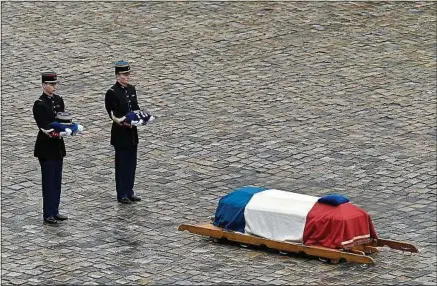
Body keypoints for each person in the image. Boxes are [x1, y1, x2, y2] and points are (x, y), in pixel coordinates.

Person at [33, 72, 69, 225]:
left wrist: (69, 128)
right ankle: (48, 213)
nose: (54, 87)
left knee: (57, 180)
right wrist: (57, 131)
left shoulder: (58, 100)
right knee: (48, 181)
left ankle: (55, 210)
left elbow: (63, 119)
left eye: (55, 84)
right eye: (51, 84)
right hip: (46, 147)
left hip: (58, 146)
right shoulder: (39, 104)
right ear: (43, 85)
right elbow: (44, 126)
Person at [104, 61, 143, 204]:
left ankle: (129, 190)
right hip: (121, 133)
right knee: (122, 164)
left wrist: (141, 117)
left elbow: (135, 107)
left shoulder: (131, 89)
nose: (127, 77)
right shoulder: (112, 93)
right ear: (117, 76)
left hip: (132, 133)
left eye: (128, 74)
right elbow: (113, 114)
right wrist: (124, 121)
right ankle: (121, 193)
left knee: (131, 164)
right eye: (124, 75)